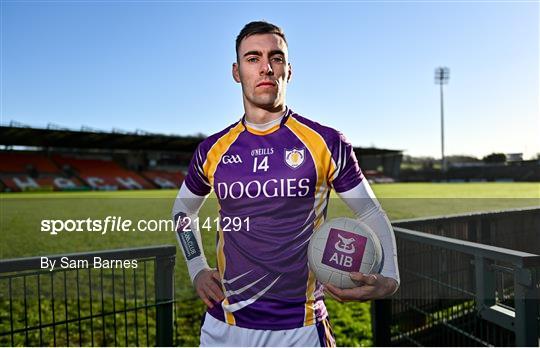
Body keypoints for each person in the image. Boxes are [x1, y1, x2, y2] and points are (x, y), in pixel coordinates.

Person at [172, 20, 400, 347]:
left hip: (301, 329)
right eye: (253, 59)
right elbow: (183, 209)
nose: (265, 67)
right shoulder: (212, 150)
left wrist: (389, 278)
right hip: (224, 327)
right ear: (237, 72)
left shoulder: (325, 142)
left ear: (288, 70)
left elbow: (369, 213)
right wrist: (196, 267)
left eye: (275, 58)